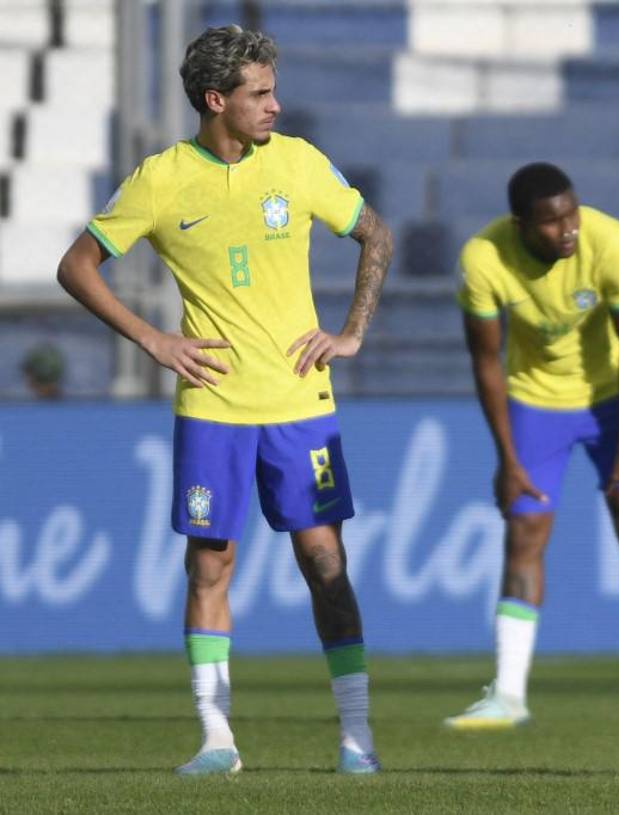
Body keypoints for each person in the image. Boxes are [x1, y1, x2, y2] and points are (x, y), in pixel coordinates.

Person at [56, 25, 393, 776]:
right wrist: (153, 339)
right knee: (210, 563)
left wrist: (351, 332)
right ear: (217, 100)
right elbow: (77, 266)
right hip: (213, 405)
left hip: (300, 400)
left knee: (324, 559)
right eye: (260, 93)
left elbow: (376, 235)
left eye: (273, 90)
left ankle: (358, 737)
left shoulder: (299, 164)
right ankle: (216, 739)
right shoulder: (161, 179)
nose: (276, 105)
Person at [445, 162, 619, 730]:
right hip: (535, 401)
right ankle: (508, 695)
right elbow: (485, 362)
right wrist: (506, 459)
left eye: (572, 214)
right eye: (552, 223)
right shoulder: (483, 259)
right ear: (521, 225)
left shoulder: (611, 241)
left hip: (612, 397)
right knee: (525, 531)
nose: (568, 230)